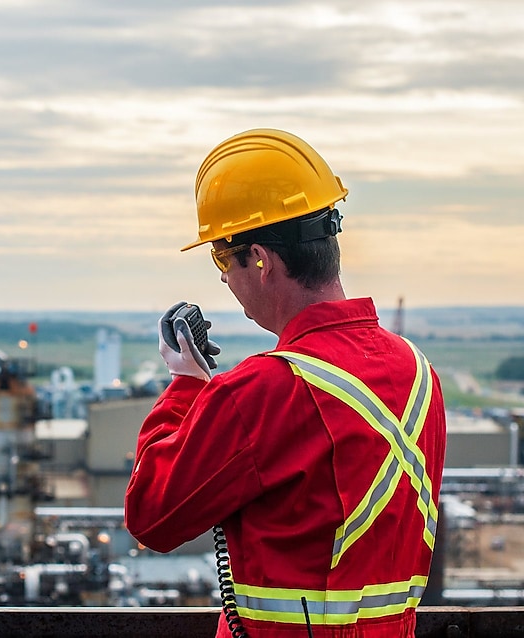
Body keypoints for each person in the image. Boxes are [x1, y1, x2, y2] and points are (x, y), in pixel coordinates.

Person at [124, 128, 447, 637]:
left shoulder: (265, 389)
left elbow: (151, 515)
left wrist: (186, 384)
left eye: (221, 260)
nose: (225, 280)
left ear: (260, 259)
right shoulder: (418, 374)